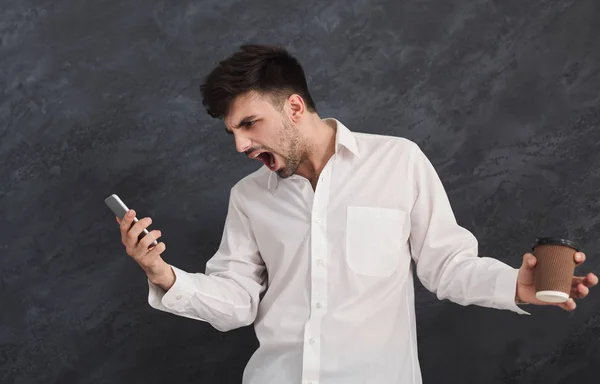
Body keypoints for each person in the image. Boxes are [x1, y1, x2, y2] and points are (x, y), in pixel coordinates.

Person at [115, 44, 597, 384]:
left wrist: (516, 286)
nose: (241, 145)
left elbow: (447, 266)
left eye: (249, 124)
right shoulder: (248, 198)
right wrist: (162, 273)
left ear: (295, 107)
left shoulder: (399, 161)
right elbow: (238, 302)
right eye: (232, 133)